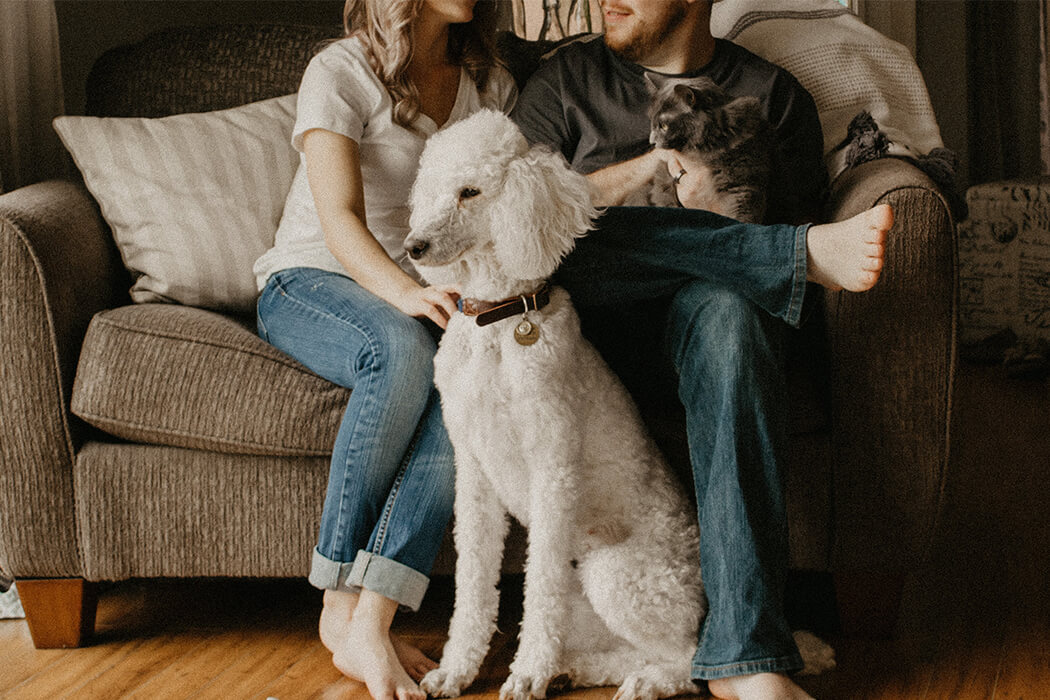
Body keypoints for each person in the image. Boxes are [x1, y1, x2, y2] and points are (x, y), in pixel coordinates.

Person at [510, 1, 891, 699]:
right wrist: (645, 172)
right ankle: (787, 255)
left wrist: (722, 217)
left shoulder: (771, 96)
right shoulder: (563, 83)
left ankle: (747, 660)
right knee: (555, 234)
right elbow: (515, 227)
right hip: (589, 333)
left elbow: (780, 304)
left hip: (708, 334)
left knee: (731, 312)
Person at [251, 2, 516, 699]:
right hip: (312, 279)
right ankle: (338, 602)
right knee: (400, 351)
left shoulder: (487, 82)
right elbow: (337, 215)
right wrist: (403, 292)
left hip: (428, 290)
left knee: (470, 385)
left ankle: (374, 614)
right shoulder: (339, 71)